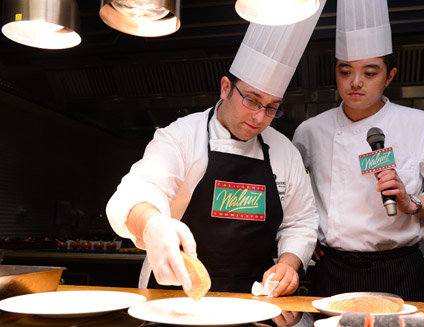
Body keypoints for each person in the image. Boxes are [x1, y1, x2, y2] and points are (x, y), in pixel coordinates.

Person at [106, 4, 326, 297]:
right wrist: (152, 224)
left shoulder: (284, 152)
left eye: (272, 107)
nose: (260, 117)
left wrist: (289, 263)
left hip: (256, 298)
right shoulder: (181, 136)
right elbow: (139, 190)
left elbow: (301, 221)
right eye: (251, 99)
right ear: (225, 87)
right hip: (175, 293)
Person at [292, 0, 424, 302]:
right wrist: (307, 238)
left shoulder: (421, 125)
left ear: (390, 76)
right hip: (331, 269)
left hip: (400, 269)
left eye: (370, 73)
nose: (355, 83)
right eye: (345, 72)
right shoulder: (310, 131)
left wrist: (409, 201)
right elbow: (292, 196)